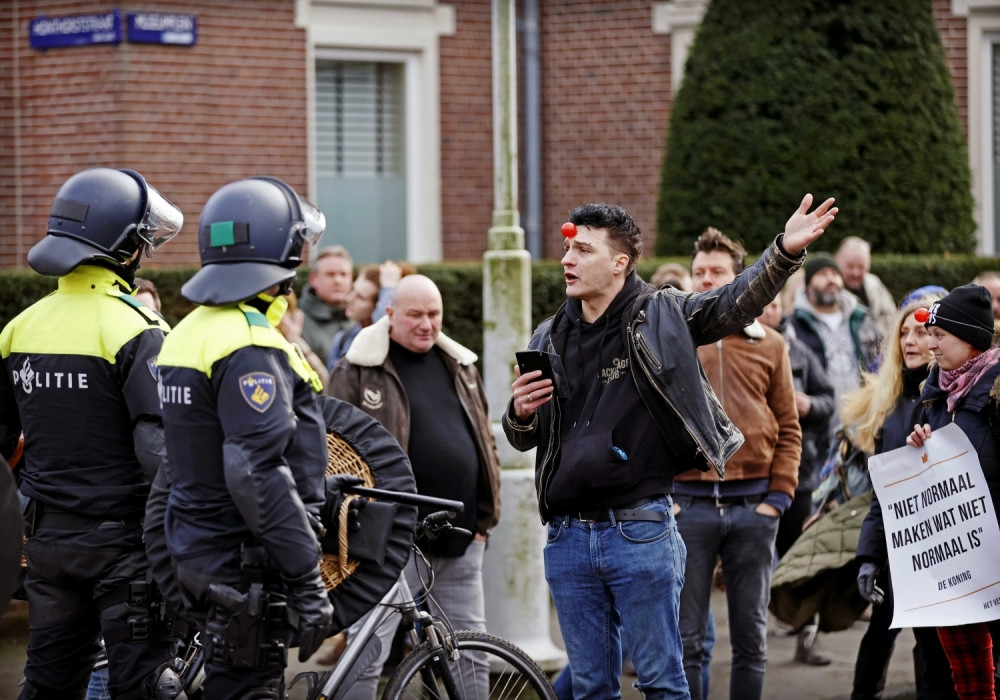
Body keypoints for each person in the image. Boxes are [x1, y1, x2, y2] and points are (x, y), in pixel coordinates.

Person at [503, 194, 838, 700]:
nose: (568, 261)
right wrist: (520, 413)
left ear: (620, 263)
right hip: (567, 539)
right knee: (591, 686)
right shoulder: (548, 336)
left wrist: (783, 252)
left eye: (584, 251)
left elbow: (731, 302)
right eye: (568, 250)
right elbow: (526, 437)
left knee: (661, 682)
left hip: (639, 531)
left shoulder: (660, 314)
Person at [156, 176, 346, 698]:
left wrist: (316, 485)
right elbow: (253, 469)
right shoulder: (248, 344)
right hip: (243, 567)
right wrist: (306, 579)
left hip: (200, 551)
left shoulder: (190, 331)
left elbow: (190, 458)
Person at [0, 167, 186, 699]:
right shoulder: (138, 329)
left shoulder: (20, 327)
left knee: (49, 684)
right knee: (145, 687)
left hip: (49, 547)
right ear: (125, 249)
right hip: (125, 550)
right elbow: (161, 454)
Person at [326, 273, 502, 699]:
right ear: (389, 315)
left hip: (459, 536)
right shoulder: (356, 369)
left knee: (468, 651)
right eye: (416, 315)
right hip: (383, 541)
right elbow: (329, 449)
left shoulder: (460, 364)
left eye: (434, 314)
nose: (427, 324)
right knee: (367, 650)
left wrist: (484, 517)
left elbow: (483, 437)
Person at [673, 227, 802, 696]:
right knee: (687, 642)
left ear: (739, 278)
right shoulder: (672, 341)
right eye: (699, 273)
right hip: (688, 508)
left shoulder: (770, 344)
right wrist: (668, 499)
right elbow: (647, 425)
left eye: (718, 272)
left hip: (755, 508)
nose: (707, 280)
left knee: (751, 640)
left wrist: (779, 497)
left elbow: (788, 426)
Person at [851, 286, 958, 700]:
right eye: (903, 333)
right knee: (879, 637)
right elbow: (884, 490)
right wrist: (869, 556)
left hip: (946, 548)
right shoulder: (889, 402)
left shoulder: (956, 398)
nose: (911, 341)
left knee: (936, 652)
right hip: (898, 547)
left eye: (921, 331)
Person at [905, 284, 1000, 699]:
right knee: (967, 682)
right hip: (956, 563)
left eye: (939, 335)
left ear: (970, 339)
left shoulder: (997, 393)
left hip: (994, 563)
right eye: (930, 334)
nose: (929, 344)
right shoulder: (935, 391)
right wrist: (921, 444)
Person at [787, 252, 882, 418]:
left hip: (864, 420)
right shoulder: (793, 326)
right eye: (822, 274)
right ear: (808, 285)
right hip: (817, 425)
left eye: (835, 273)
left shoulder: (862, 320)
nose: (831, 279)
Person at [300, 245, 355, 362]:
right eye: (330, 274)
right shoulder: (299, 322)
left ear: (351, 278)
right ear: (313, 279)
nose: (338, 281)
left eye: (343, 274)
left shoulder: (363, 318)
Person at [835, 236, 896, 336]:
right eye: (850, 266)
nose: (855, 272)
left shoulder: (874, 283)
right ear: (837, 262)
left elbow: (891, 315)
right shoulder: (831, 290)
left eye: (861, 267)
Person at [278, 288, 330, 388]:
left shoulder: (296, 344)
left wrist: (296, 340)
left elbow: (324, 382)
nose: (282, 318)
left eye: (286, 310)